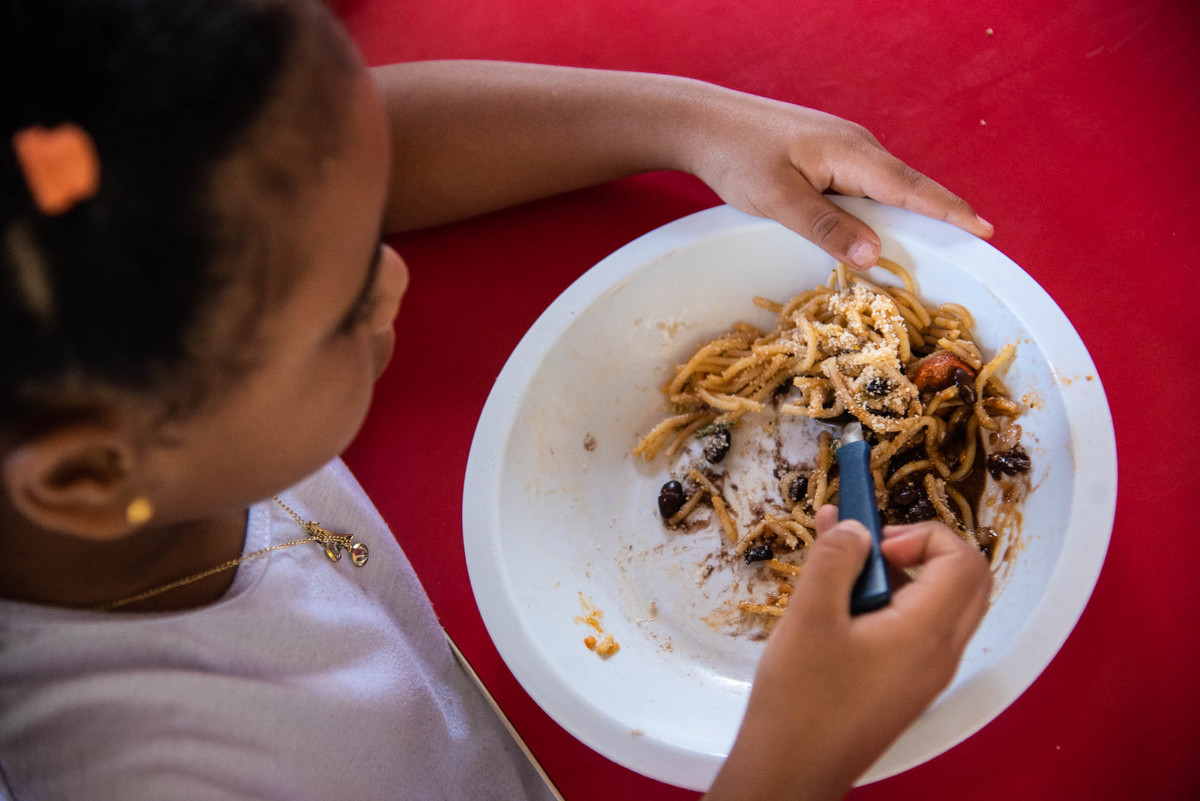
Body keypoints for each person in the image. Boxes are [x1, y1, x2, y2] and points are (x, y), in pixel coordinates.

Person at [0, 1, 992, 799]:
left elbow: (337, 145)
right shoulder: (154, 774)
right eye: (347, 303)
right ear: (88, 475)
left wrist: (689, 123)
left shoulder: (125, 392)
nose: (393, 277)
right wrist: (792, 764)